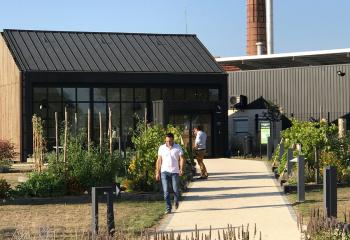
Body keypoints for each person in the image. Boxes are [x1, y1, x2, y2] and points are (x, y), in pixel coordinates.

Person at [155, 133, 185, 214]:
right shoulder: (161, 148)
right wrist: (157, 172)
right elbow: (159, 160)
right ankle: (168, 208)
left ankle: (176, 201)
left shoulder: (178, 147)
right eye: (167, 141)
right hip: (164, 172)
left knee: (175, 189)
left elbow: (182, 158)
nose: (168, 143)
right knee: (166, 191)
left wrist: (181, 169)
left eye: (170, 141)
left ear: (173, 140)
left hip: (175, 172)